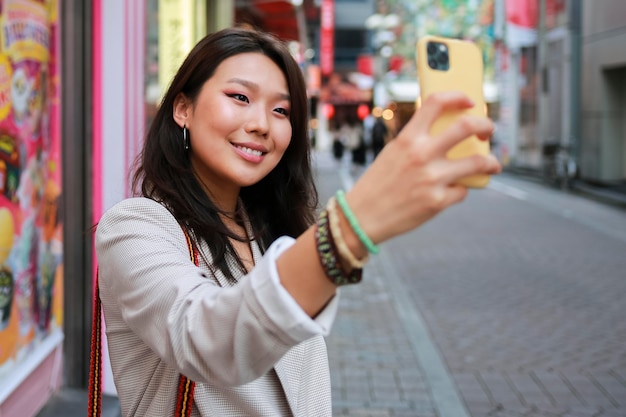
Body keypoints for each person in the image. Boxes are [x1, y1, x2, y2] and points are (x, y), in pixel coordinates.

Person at [94, 27, 501, 417]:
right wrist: (349, 228)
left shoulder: (271, 232)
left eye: (281, 110)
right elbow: (205, 339)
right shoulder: (135, 227)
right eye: (239, 97)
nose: (261, 124)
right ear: (183, 108)